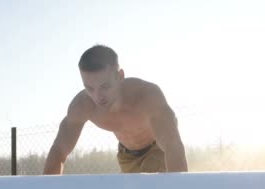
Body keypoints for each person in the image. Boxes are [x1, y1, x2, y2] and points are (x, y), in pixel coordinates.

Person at [43, 45, 188, 174]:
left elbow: (173, 146)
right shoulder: (82, 106)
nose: (98, 97)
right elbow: (59, 151)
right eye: (89, 88)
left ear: (120, 77)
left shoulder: (147, 96)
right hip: (126, 156)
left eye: (105, 87)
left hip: (157, 150)